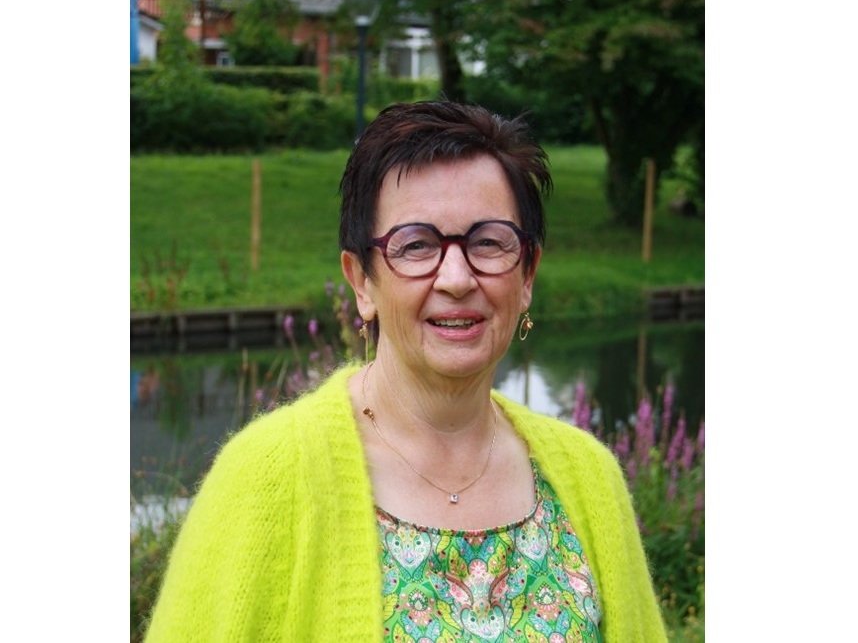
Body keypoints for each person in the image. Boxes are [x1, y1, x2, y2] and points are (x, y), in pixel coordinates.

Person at [144, 100, 667, 642]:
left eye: (489, 242)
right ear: (362, 282)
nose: (457, 278)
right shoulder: (263, 478)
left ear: (527, 273)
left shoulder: (590, 479)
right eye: (416, 245)